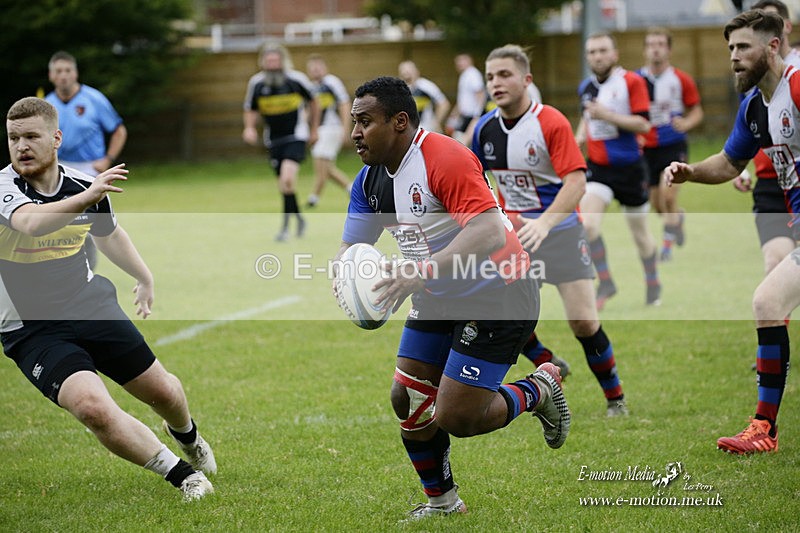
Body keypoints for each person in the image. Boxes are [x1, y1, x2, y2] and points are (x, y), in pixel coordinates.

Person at [335, 76, 570, 520]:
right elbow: (351, 248)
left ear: (399, 121)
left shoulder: (443, 157)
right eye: (353, 122)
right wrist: (348, 279)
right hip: (438, 296)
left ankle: (539, 389)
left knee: (458, 418)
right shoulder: (368, 183)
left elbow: (488, 230)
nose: (355, 133)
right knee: (406, 398)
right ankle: (442, 504)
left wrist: (419, 271)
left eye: (365, 122)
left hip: (499, 293)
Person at [2, 97, 216, 499]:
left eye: (31, 136)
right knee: (92, 408)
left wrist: (143, 275)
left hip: (89, 306)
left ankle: (188, 437)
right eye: (13, 138)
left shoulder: (84, 185)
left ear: (56, 138)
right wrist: (89, 197)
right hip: (33, 329)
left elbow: (110, 234)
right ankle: (184, 475)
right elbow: (30, 223)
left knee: (164, 393)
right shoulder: (4, 188)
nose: (21, 146)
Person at [664, 8, 797, 454]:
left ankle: (764, 428)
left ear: (773, 45)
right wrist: (691, 172)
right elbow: (728, 163)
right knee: (770, 299)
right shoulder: (755, 105)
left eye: (743, 47)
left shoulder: (796, 86)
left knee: (767, 299)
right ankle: (764, 428)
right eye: (730, 49)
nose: (734, 57)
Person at [473, 44, 628, 417]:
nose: (496, 82)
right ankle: (547, 359)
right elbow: (475, 181)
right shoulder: (485, 128)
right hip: (513, 238)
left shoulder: (551, 122)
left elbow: (576, 183)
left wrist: (544, 222)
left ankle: (615, 398)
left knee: (583, 321)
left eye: (505, 74)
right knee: (503, 312)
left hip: (559, 232)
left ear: (527, 79)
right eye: (491, 76)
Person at [576, 32, 662, 309]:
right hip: (599, 169)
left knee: (641, 237)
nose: (597, 56)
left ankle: (653, 282)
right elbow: (586, 119)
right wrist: (577, 140)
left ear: (615, 54)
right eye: (592, 52)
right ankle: (606, 282)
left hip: (631, 170)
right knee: (587, 226)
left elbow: (644, 125)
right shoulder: (585, 87)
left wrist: (608, 115)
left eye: (602, 51)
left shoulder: (631, 82)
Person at [732, 1, 799, 287]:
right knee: (774, 267)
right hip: (772, 185)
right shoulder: (753, 78)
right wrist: (740, 168)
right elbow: (750, 130)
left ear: (785, 27)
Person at [45, 50, 128, 269]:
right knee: (58, 222)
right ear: (51, 76)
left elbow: (119, 130)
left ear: (76, 73)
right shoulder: (46, 104)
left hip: (89, 171)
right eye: (58, 71)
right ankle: (61, 267)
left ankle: (88, 268)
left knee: (87, 222)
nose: (63, 75)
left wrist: (107, 159)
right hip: (58, 170)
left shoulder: (93, 98)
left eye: (68, 70)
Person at [637, 28, 704, 261]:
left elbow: (697, 111)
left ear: (669, 49)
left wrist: (686, 123)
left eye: (660, 44)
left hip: (673, 146)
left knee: (668, 197)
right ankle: (678, 221)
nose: (655, 48)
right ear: (645, 50)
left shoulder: (680, 79)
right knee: (657, 204)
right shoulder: (635, 80)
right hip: (647, 149)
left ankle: (666, 247)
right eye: (651, 44)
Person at [243, 43, 320, 241]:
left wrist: (313, 129)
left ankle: (285, 229)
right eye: (269, 61)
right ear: (263, 63)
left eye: (276, 61)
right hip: (273, 140)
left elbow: (314, 101)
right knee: (285, 186)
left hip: (296, 136)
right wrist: (249, 128)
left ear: (283, 61)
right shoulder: (257, 83)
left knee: (287, 179)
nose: (272, 65)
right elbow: (250, 108)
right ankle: (299, 220)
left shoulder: (296, 79)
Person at [305, 54, 352, 207]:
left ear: (325, 68)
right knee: (326, 167)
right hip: (319, 129)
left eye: (318, 67)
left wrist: (346, 129)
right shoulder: (310, 87)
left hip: (331, 128)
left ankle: (313, 198)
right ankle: (352, 189)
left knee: (321, 165)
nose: (315, 71)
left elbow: (344, 104)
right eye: (312, 68)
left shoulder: (331, 82)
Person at [397, 60, 451, 133]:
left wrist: (436, 123)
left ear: (417, 72)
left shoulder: (426, 86)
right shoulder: (398, 89)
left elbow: (444, 104)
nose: (406, 73)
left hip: (426, 131)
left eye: (409, 71)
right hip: (407, 132)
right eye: (403, 71)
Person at [447, 53, 486, 145]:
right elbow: (462, 99)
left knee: (463, 142)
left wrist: (477, 114)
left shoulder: (473, 74)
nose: (459, 64)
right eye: (457, 62)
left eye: (462, 61)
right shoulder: (464, 75)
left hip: (472, 116)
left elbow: (480, 93)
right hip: (465, 115)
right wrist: (454, 114)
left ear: (469, 61)